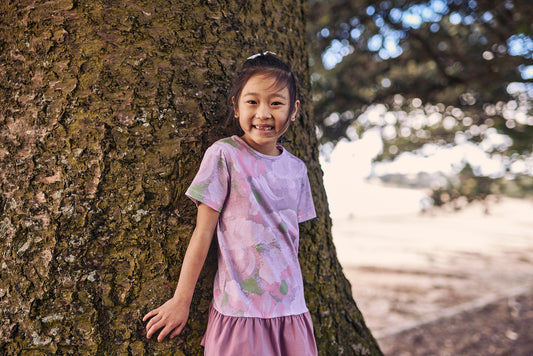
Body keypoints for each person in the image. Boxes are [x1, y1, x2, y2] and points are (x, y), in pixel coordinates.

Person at [143, 52, 318, 355]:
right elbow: (203, 233)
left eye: (276, 103)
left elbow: (290, 243)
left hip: (290, 310)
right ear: (236, 106)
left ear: (293, 110)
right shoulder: (224, 155)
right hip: (239, 310)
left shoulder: (298, 170)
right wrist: (181, 301)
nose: (264, 113)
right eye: (253, 102)